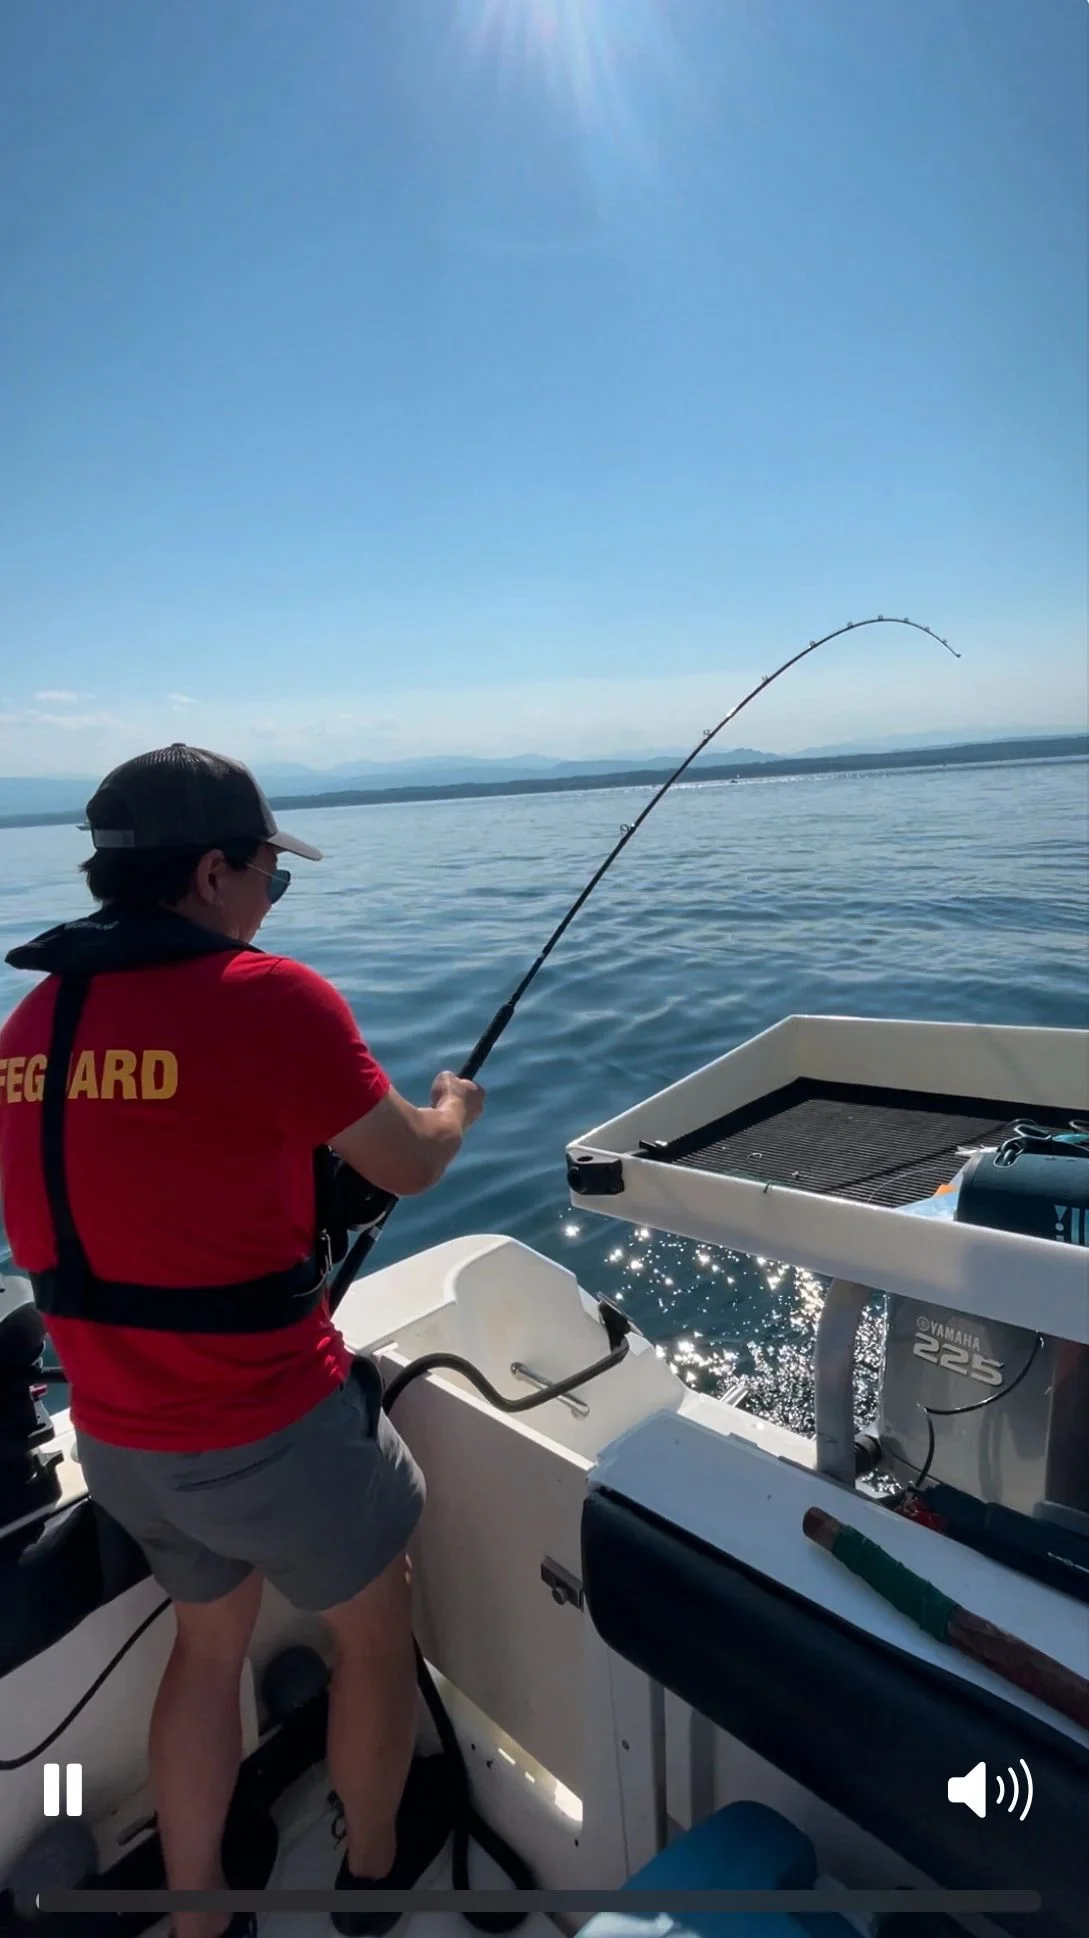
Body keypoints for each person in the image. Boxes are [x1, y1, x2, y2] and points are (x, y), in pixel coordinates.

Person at [0, 743, 486, 1938]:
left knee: (204, 1650)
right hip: (263, 1432)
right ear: (212, 872)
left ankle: (202, 1914)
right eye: (271, 871)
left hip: (119, 1439)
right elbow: (409, 1167)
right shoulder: (268, 997)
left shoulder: (28, 1026)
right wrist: (454, 1107)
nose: (272, 897)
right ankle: (375, 1873)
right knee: (376, 1634)